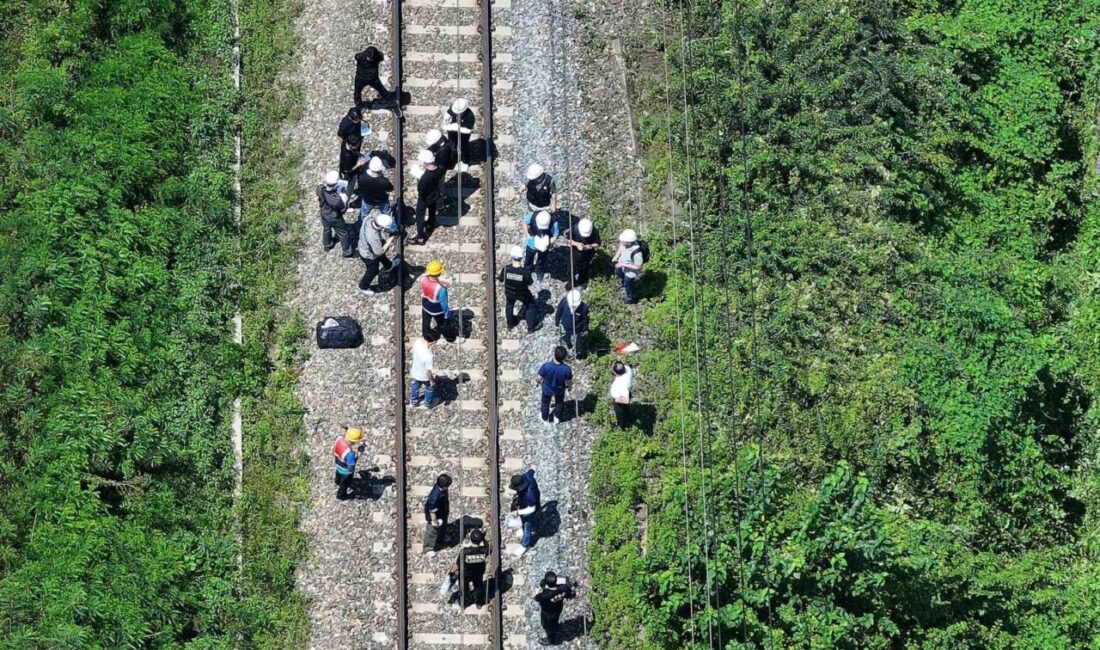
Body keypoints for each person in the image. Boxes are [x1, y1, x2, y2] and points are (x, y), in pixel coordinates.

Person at [357, 211, 399, 294]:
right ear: (382, 227)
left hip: (363, 244)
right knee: (373, 270)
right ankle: (363, 286)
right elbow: (379, 252)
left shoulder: (370, 218)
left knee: (382, 257)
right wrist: (389, 241)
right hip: (368, 254)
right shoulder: (373, 237)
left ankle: (388, 266)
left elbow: (375, 211)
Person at [498, 245, 537, 333]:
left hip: (509, 292)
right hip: (522, 294)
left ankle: (510, 324)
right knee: (531, 305)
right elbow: (530, 282)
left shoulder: (506, 269)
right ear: (521, 257)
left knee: (509, 306)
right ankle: (531, 328)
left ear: (512, 256)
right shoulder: (525, 272)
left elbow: (500, 279)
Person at [449, 528, 490, 609]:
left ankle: (463, 603)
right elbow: (488, 547)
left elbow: (457, 565)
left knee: (464, 589)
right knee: (478, 587)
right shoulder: (484, 550)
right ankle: (479, 603)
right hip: (478, 573)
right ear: (480, 540)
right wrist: (483, 538)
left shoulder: (465, 552)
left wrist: (451, 572)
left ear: (471, 539)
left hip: (465, 574)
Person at [317, 170, 354, 257]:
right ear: (336, 183)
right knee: (343, 233)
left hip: (323, 212)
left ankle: (327, 245)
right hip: (334, 217)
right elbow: (343, 208)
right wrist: (344, 196)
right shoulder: (336, 199)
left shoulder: (319, 188)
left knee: (326, 229)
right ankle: (347, 252)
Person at [534, 571, 576, 645]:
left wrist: (543, 587)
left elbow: (536, 598)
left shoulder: (545, 595)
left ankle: (551, 640)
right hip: (558, 608)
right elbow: (571, 595)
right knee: (555, 620)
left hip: (548, 612)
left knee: (547, 626)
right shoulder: (563, 588)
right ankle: (555, 626)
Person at [413, 150, 445, 244]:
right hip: (434, 194)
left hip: (424, 198)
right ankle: (430, 224)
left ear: (425, 163)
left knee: (420, 216)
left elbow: (421, 190)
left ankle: (420, 238)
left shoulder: (425, 178)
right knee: (432, 209)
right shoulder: (439, 168)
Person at [537, 346, 573, 424]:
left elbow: (539, 377)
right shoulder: (567, 369)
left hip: (547, 388)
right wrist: (570, 387)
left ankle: (545, 418)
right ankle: (556, 418)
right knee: (559, 403)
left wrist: (538, 382)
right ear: (564, 357)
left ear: (554, 355)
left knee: (545, 403)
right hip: (560, 390)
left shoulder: (546, 366)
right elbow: (569, 381)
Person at [509, 469, 540, 555]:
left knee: (527, 526)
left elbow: (532, 509)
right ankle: (523, 529)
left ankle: (524, 545)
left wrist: (518, 512)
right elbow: (532, 470)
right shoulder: (527, 476)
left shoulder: (530, 495)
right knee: (523, 520)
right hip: (525, 501)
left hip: (530, 506)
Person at [524, 210, 559, 281]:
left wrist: (548, 242)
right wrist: (527, 234)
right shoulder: (532, 215)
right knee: (529, 258)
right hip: (531, 243)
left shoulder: (553, 221)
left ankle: (539, 269)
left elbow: (556, 234)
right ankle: (527, 269)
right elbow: (525, 223)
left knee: (542, 259)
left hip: (545, 245)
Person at [611, 229, 645, 304]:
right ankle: (623, 283)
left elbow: (638, 267)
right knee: (618, 272)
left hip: (630, 272)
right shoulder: (625, 243)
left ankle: (630, 298)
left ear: (629, 243)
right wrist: (616, 257)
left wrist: (623, 264)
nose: (622, 242)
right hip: (621, 265)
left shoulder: (637, 253)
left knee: (628, 284)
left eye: (623, 241)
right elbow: (620, 248)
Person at [554, 289, 590, 358]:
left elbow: (585, 320)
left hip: (578, 328)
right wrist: (556, 324)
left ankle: (577, 352)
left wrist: (585, 329)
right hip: (566, 326)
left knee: (578, 341)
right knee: (567, 336)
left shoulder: (584, 308)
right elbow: (558, 312)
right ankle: (569, 344)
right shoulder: (564, 302)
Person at [565, 217, 600, 287]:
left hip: (588, 253)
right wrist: (576, 244)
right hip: (575, 252)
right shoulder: (574, 229)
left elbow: (597, 243)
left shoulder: (594, 231)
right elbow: (568, 240)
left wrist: (590, 246)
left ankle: (582, 281)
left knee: (584, 268)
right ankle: (571, 282)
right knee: (571, 269)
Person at [420, 260, 452, 337]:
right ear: (438, 274)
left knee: (425, 323)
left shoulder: (423, 279)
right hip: (437, 310)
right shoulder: (441, 289)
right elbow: (444, 304)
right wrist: (447, 315)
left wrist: (439, 282)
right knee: (442, 324)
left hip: (425, 306)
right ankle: (449, 337)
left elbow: (428, 286)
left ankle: (426, 336)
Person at [424, 473, 452, 556]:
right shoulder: (434, 497)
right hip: (435, 515)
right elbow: (432, 512)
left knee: (443, 525)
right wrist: (434, 521)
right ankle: (428, 548)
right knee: (432, 531)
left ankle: (441, 537)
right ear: (444, 486)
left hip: (442, 512)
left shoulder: (442, 489)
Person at [409, 332, 440, 409]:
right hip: (424, 377)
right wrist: (432, 381)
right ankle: (427, 404)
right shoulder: (429, 356)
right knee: (430, 388)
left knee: (415, 387)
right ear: (434, 341)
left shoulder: (417, 342)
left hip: (415, 372)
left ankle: (413, 402)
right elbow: (428, 372)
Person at [333, 427, 364, 500]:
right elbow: (351, 467)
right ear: (355, 441)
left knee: (338, 473)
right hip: (346, 471)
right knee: (345, 484)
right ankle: (341, 496)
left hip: (338, 462)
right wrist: (357, 455)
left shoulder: (339, 439)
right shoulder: (350, 454)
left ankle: (337, 481)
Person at [443, 98, 475, 162]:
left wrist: (457, 128)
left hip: (463, 135)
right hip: (452, 132)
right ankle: (452, 157)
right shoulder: (455, 107)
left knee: (463, 147)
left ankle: (465, 160)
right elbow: (449, 112)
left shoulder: (469, 116)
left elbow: (468, 130)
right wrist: (446, 118)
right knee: (451, 143)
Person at [610, 360, 635, 429]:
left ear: (617, 374)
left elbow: (626, 400)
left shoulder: (622, 383)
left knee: (620, 414)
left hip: (621, 398)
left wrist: (617, 400)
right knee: (626, 408)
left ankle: (622, 426)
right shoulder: (627, 368)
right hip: (628, 392)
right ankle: (628, 416)